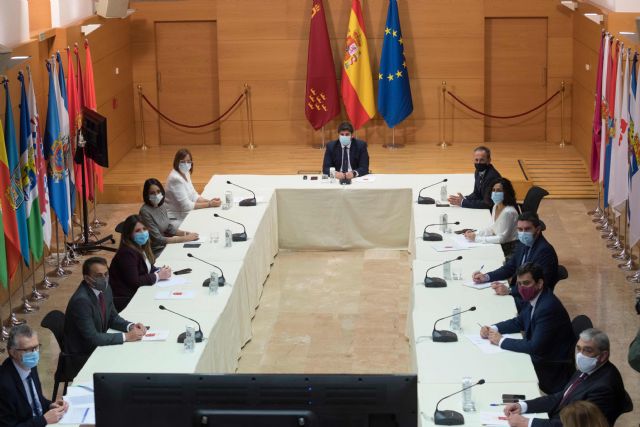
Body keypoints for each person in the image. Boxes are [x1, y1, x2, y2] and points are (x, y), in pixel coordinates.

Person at [503, 328, 631, 427]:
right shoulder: (588, 369)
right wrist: (523, 406)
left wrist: (528, 423)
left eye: (587, 350)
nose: (580, 355)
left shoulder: (604, 388)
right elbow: (562, 396)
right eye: (578, 349)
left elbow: (575, 424)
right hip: (558, 417)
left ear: (603, 356)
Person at [479, 263, 575, 394]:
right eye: (519, 284)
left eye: (526, 283)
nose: (522, 288)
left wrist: (501, 341)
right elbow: (519, 322)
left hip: (550, 368)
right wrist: (493, 328)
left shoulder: (547, 307)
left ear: (539, 283)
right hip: (540, 356)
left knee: (502, 370)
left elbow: (534, 347)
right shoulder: (535, 297)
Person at [63, 257, 147, 377]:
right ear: (87, 278)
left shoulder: (105, 289)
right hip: (83, 356)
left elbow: (112, 317)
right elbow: (93, 338)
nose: (104, 278)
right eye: (99, 276)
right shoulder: (81, 301)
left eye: (106, 274)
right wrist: (126, 336)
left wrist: (130, 326)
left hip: (98, 345)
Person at [472, 211, 559, 310]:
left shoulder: (544, 252)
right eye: (520, 229)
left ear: (538, 230)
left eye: (527, 229)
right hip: (519, 291)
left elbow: (538, 286)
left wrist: (510, 290)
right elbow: (510, 267)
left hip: (529, 301)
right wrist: (486, 277)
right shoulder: (523, 243)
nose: (523, 233)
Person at [0, 324, 69, 426]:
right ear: (13, 352)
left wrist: (50, 405)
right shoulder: (3, 385)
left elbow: (37, 400)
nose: (34, 353)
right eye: (28, 349)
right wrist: (44, 420)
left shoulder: (30, 365)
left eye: (36, 347)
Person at [109, 215, 172, 311]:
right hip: (126, 299)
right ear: (129, 234)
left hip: (136, 292)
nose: (143, 233)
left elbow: (147, 268)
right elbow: (134, 281)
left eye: (144, 229)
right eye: (138, 231)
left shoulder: (140, 246)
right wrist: (158, 276)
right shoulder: (127, 253)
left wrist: (160, 270)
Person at [140, 178, 199, 256]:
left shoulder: (161, 205)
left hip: (166, 244)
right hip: (156, 250)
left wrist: (185, 233)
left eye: (158, 192)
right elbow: (157, 239)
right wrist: (185, 238)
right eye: (152, 193)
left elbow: (168, 227)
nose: (156, 195)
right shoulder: (145, 212)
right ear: (147, 195)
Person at [464, 177, 519, 259]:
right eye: (493, 190)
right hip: (499, 243)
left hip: (509, 248)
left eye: (499, 190)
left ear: (506, 193)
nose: (495, 193)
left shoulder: (508, 212)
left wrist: (477, 239)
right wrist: (475, 233)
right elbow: (493, 229)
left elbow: (502, 239)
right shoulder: (496, 206)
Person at [164, 148, 220, 227]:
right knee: (204, 223)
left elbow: (193, 195)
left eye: (188, 161)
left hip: (184, 212)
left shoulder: (186, 172)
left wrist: (209, 201)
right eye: (183, 162)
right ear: (177, 162)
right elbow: (186, 206)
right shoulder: (175, 179)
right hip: (175, 217)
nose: (186, 164)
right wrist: (209, 204)